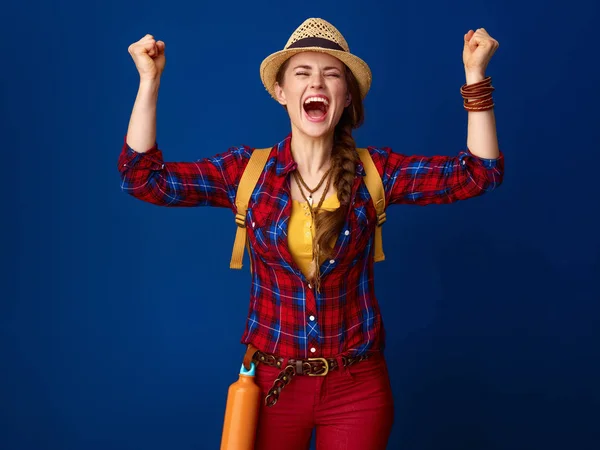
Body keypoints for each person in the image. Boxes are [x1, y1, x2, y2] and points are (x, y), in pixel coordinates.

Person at [118, 17, 504, 450]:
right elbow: (142, 179)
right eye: (302, 72)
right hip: (270, 387)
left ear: (344, 96)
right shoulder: (245, 172)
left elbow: (478, 174)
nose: (316, 82)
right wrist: (149, 81)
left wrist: (475, 77)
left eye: (331, 74)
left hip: (357, 387)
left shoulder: (375, 172)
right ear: (282, 93)